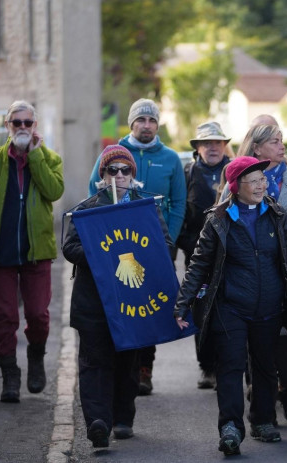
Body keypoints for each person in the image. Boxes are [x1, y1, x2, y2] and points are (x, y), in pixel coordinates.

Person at [174, 157, 287, 456]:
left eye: (263, 179)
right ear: (237, 187)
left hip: (270, 308)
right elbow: (199, 265)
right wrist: (182, 303)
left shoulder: (276, 215)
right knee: (231, 366)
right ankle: (231, 428)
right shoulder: (218, 220)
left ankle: (262, 421)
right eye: (255, 181)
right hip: (231, 308)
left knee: (265, 366)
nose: (262, 185)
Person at [63, 145, 173, 448]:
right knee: (94, 362)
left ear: (132, 175)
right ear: (103, 175)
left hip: (133, 300)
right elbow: (69, 248)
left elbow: (163, 244)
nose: (120, 175)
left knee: (128, 362)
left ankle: (123, 418)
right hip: (94, 302)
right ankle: (98, 423)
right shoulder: (87, 208)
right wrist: (102, 257)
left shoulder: (145, 207)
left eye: (125, 170)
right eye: (113, 170)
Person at [0, 100, 64, 403]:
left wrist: (36, 158)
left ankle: (35, 357)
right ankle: (9, 375)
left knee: (38, 315)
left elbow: (54, 191)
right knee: (5, 317)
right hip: (0, 252)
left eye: (27, 123)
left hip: (37, 252)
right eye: (15, 122)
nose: (21, 128)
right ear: (7, 126)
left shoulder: (49, 159)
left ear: (35, 127)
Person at [88, 98, 187, 395]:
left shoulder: (170, 158)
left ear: (158, 125)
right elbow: (94, 191)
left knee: (153, 305)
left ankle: (145, 367)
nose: (146, 125)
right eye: (141, 120)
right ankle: (122, 362)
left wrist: (166, 240)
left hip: (157, 245)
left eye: (151, 120)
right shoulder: (113, 155)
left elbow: (179, 202)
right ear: (131, 124)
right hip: (120, 247)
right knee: (126, 303)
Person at [220, 123, 287, 423]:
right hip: (246, 279)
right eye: (274, 141)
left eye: (282, 140)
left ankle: (285, 385)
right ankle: (262, 403)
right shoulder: (236, 178)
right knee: (256, 345)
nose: (282, 146)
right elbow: (219, 224)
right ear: (257, 148)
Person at [176, 121, 232, 390]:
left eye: (218, 143)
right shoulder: (187, 173)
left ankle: (229, 367)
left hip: (233, 257)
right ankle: (207, 367)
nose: (213, 148)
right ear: (197, 148)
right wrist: (189, 245)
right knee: (202, 312)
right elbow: (180, 215)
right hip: (198, 258)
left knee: (231, 311)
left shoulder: (236, 171)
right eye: (207, 143)